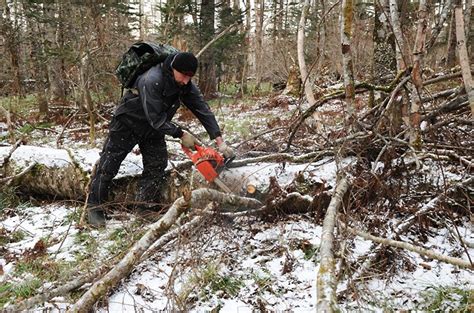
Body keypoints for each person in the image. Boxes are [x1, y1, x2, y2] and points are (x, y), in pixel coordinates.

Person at [87, 51, 234, 226]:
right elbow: (155, 118)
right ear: (173, 68)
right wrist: (180, 134)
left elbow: (202, 109)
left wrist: (219, 140)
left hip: (153, 128)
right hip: (128, 123)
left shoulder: (185, 83)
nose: (186, 81)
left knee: (157, 164)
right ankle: (94, 208)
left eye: (190, 77)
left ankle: (145, 207)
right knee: (108, 165)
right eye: (184, 75)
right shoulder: (151, 79)